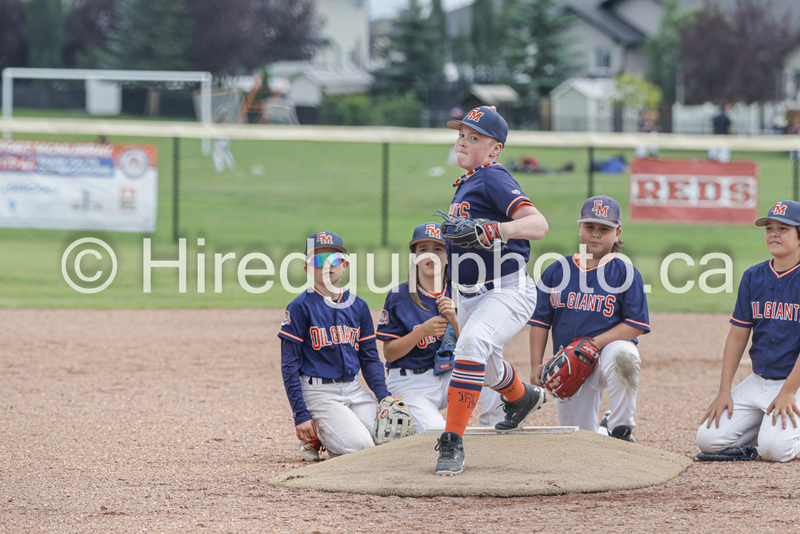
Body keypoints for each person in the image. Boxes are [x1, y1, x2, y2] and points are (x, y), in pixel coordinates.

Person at [434, 106, 549, 476]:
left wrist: (498, 230)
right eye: (461, 135)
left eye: (474, 138)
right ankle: (521, 397)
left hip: (507, 289)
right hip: (470, 292)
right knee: (482, 366)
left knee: (470, 348)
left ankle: (452, 440)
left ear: (495, 149)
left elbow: (538, 224)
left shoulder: (492, 177)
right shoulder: (469, 180)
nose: (463, 142)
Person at [529, 195, 650, 442]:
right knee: (580, 441)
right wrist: (535, 364)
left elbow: (635, 325)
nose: (595, 234)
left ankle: (620, 428)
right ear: (579, 229)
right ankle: (603, 428)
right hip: (569, 364)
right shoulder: (557, 270)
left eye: (604, 229)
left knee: (625, 356)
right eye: (590, 227)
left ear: (617, 234)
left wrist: (595, 343)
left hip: (607, 353)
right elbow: (540, 321)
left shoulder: (625, 273)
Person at [696, 200, 800, 462]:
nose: (773, 234)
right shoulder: (753, 277)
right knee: (708, 440)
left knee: (775, 451)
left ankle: (775, 433)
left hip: (794, 384)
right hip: (758, 380)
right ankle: (764, 428)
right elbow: (738, 335)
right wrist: (724, 390)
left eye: (783, 229)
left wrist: (788, 392)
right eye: (769, 228)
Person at [278, 231, 392, 460]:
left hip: (353, 389)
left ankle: (328, 432)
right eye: (318, 260)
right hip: (319, 391)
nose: (327, 265)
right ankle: (319, 432)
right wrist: (301, 415)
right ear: (308, 268)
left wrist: (384, 396)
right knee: (361, 448)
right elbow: (289, 364)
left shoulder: (358, 306)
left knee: (391, 439)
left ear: (345, 264)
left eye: (334, 259)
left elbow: (369, 359)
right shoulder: (300, 307)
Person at [376, 222, 458, 433]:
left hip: (449, 375)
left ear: (448, 256)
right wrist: (421, 332)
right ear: (415, 257)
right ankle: (407, 424)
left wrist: (455, 320)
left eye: (438, 249)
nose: (430, 255)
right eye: (423, 249)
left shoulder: (459, 292)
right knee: (438, 434)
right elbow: (390, 354)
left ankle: (497, 433)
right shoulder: (399, 296)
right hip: (411, 381)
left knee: (491, 370)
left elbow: (474, 345)